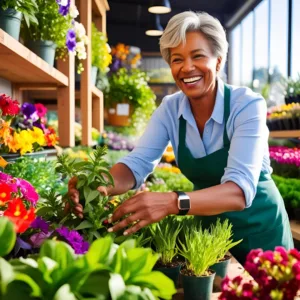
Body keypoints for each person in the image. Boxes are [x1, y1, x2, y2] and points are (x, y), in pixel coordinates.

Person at [68, 11, 294, 264]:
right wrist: (98, 185)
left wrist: (171, 202)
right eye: (177, 59)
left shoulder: (246, 105)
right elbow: (137, 163)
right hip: (209, 239)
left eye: (198, 56)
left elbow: (239, 192)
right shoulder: (170, 109)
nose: (186, 68)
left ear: (218, 61)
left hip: (260, 233)